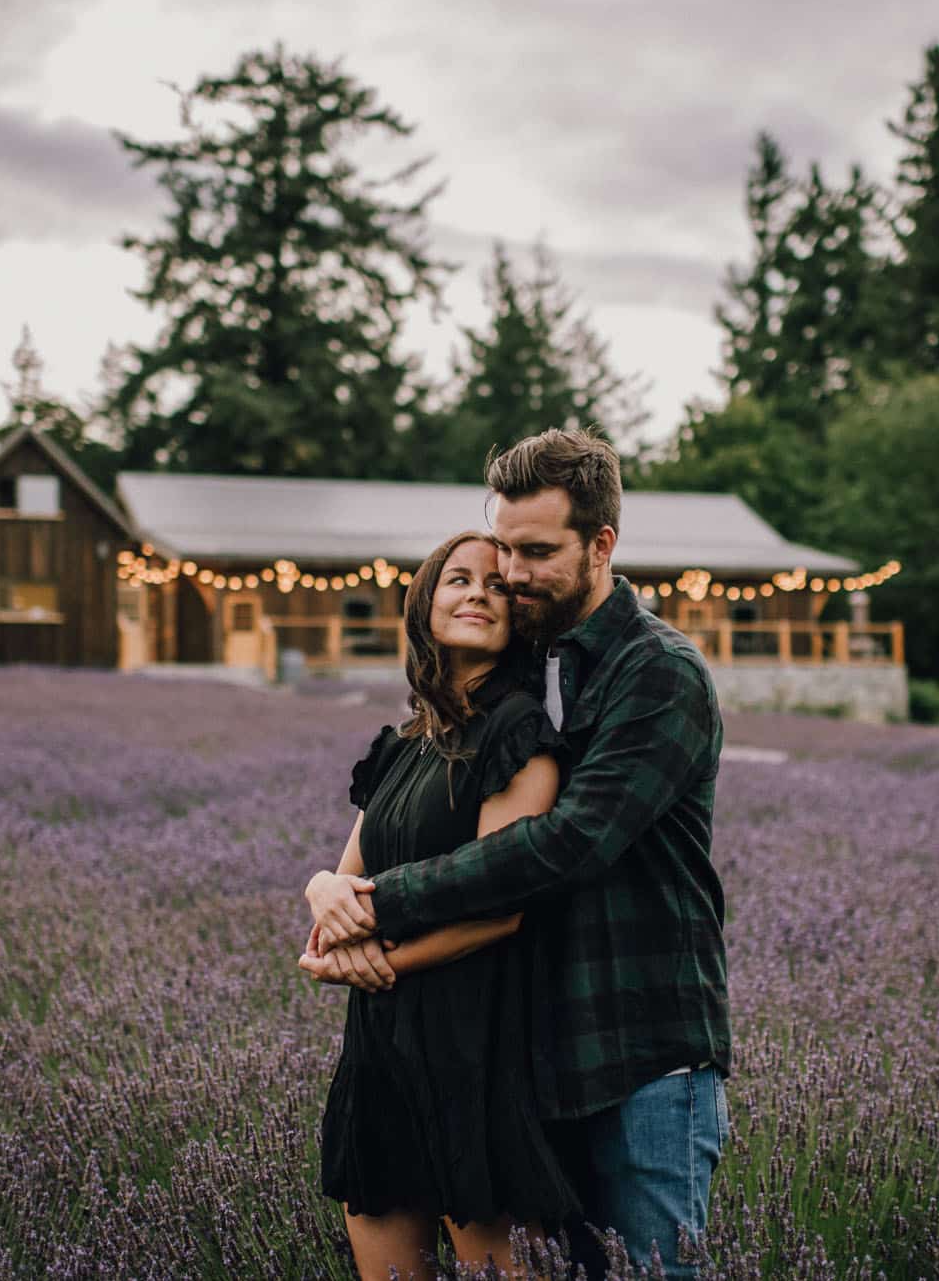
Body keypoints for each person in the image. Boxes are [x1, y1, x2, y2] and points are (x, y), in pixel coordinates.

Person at [308, 429, 731, 1279]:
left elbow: (565, 846)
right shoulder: (531, 660)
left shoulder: (659, 672)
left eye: (536, 552)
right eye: (501, 546)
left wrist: (376, 904)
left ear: (601, 544)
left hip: (643, 1048)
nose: (510, 571)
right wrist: (328, 883)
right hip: (539, 1051)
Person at [300, 530, 580, 1281]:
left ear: (518, 620)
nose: (479, 593)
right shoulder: (403, 745)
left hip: (472, 1044)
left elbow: (502, 905)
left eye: (496, 586)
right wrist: (320, 890)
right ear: (425, 607)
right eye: (458, 580)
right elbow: (346, 879)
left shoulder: (518, 730)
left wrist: (371, 963)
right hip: (381, 1049)